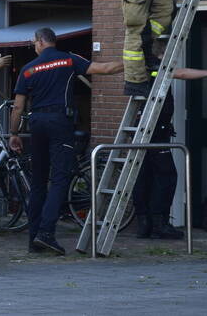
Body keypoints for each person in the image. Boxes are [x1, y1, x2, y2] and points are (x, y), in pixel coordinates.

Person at [8, 27, 123, 255]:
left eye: (34, 42)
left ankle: (33, 240)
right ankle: (46, 233)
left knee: (39, 182)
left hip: (37, 123)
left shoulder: (28, 69)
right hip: (60, 121)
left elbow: (18, 106)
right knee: (60, 178)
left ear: (40, 42)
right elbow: (106, 68)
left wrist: (14, 134)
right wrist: (135, 61)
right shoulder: (69, 60)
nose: (33, 46)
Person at [134, 61, 207, 240]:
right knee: (167, 176)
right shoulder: (156, 69)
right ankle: (159, 224)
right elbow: (182, 73)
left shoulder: (139, 69)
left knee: (142, 176)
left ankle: (143, 224)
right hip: (156, 131)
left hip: (141, 129)